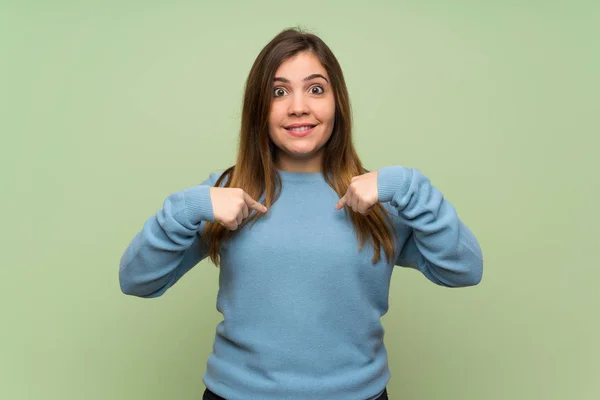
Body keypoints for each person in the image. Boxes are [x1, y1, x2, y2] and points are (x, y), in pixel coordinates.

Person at [119, 27, 483, 400]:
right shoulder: (227, 192)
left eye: (315, 89)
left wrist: (409, 186)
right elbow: (137, 280)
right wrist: (187, 207)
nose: (298, 106)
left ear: (337, 102)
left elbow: (464, 270)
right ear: (260, 108)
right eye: (279, 92)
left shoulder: (378, 198)